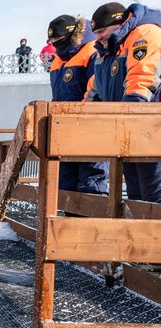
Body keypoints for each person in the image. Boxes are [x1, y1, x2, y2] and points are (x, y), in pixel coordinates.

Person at [86, 2, 161, 203]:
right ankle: (140, 234)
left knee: (154, 194)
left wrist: (128, 116)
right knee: (137, 196)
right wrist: (81, 118)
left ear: (119, 22)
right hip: (129, 134)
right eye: (95, 33)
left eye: (102, 30)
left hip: (150, 130)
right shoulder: (108, 52)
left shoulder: (145, 34)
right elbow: (95, 89)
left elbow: (143, 78)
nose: (98, 37)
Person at [48, 14, 109, 196]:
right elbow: (58, 96)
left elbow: (95, 90)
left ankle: (91, 224)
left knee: (91, 182)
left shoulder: (91, 52)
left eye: (56, 40)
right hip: (65, 130)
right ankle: (68, 223)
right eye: (51, 40)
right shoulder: (58, 60)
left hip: (88, 127)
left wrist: (83, 118)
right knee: (66, 185)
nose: (53, 44)